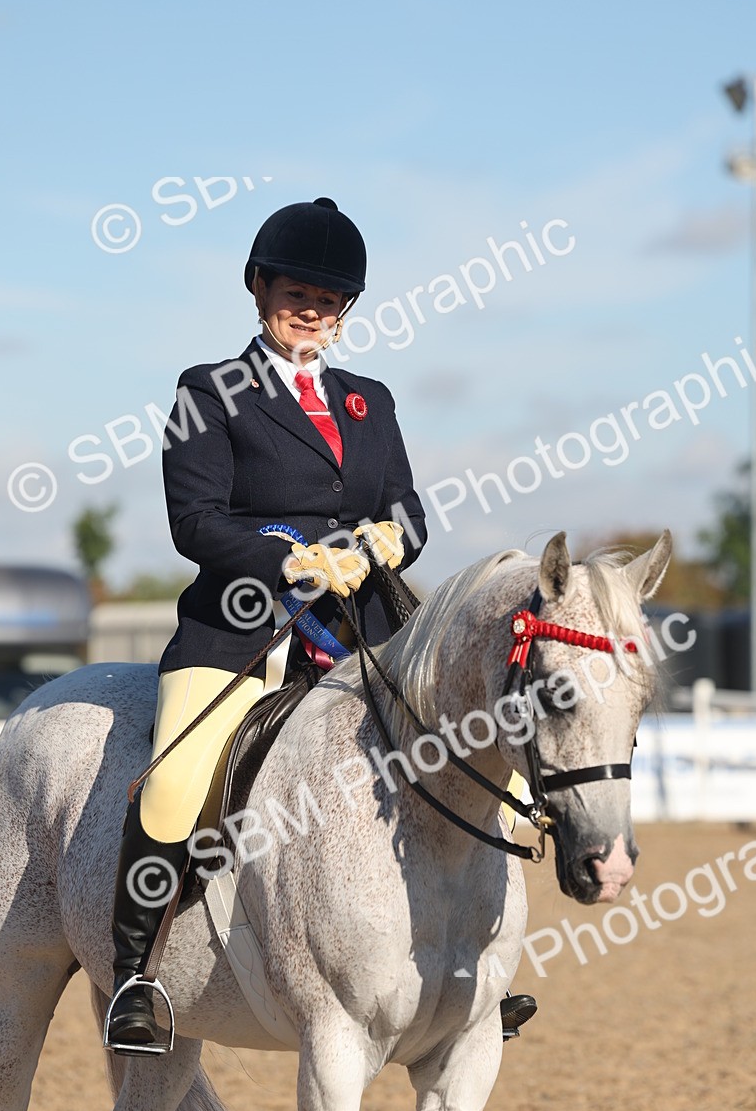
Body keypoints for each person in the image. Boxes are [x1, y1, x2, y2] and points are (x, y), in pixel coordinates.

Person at [106, 197, 534, 1053]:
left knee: (492, 767)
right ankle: (135, 975)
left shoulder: (370, 400)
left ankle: (478, 972)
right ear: (259, 289)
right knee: (178, 780)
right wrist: (297, 556)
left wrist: (387, 539)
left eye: (329, 299)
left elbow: (408, 510)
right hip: (245, 624)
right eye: (297, 291)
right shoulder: (210, 391)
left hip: (366, 627)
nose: (312, 310)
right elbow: (195, 522)